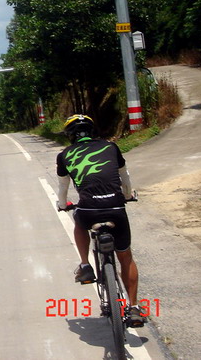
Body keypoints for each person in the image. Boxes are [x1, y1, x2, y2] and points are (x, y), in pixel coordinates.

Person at [56, 114, 145, 327]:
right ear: (92, 131)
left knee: (79, 221)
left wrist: (63, 204)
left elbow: (63, 188)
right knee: (126, 258)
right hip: (116, 208)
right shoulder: (111, 147)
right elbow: (125, 177)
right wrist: (127, 195)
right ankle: (134, 308)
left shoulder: (64, 155)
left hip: (89, 210)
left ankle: (86, 265)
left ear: (70, 135)